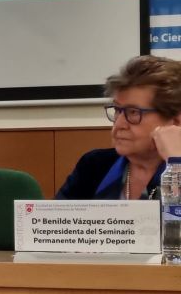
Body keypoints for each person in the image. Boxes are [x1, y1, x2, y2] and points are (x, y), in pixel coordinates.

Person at [57, 55, 181, 200]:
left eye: (133, 112)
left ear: (175, 121)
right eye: (117, 110)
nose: (119, 124)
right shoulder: (94, 165)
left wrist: (176, 164)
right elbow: (55, 220)